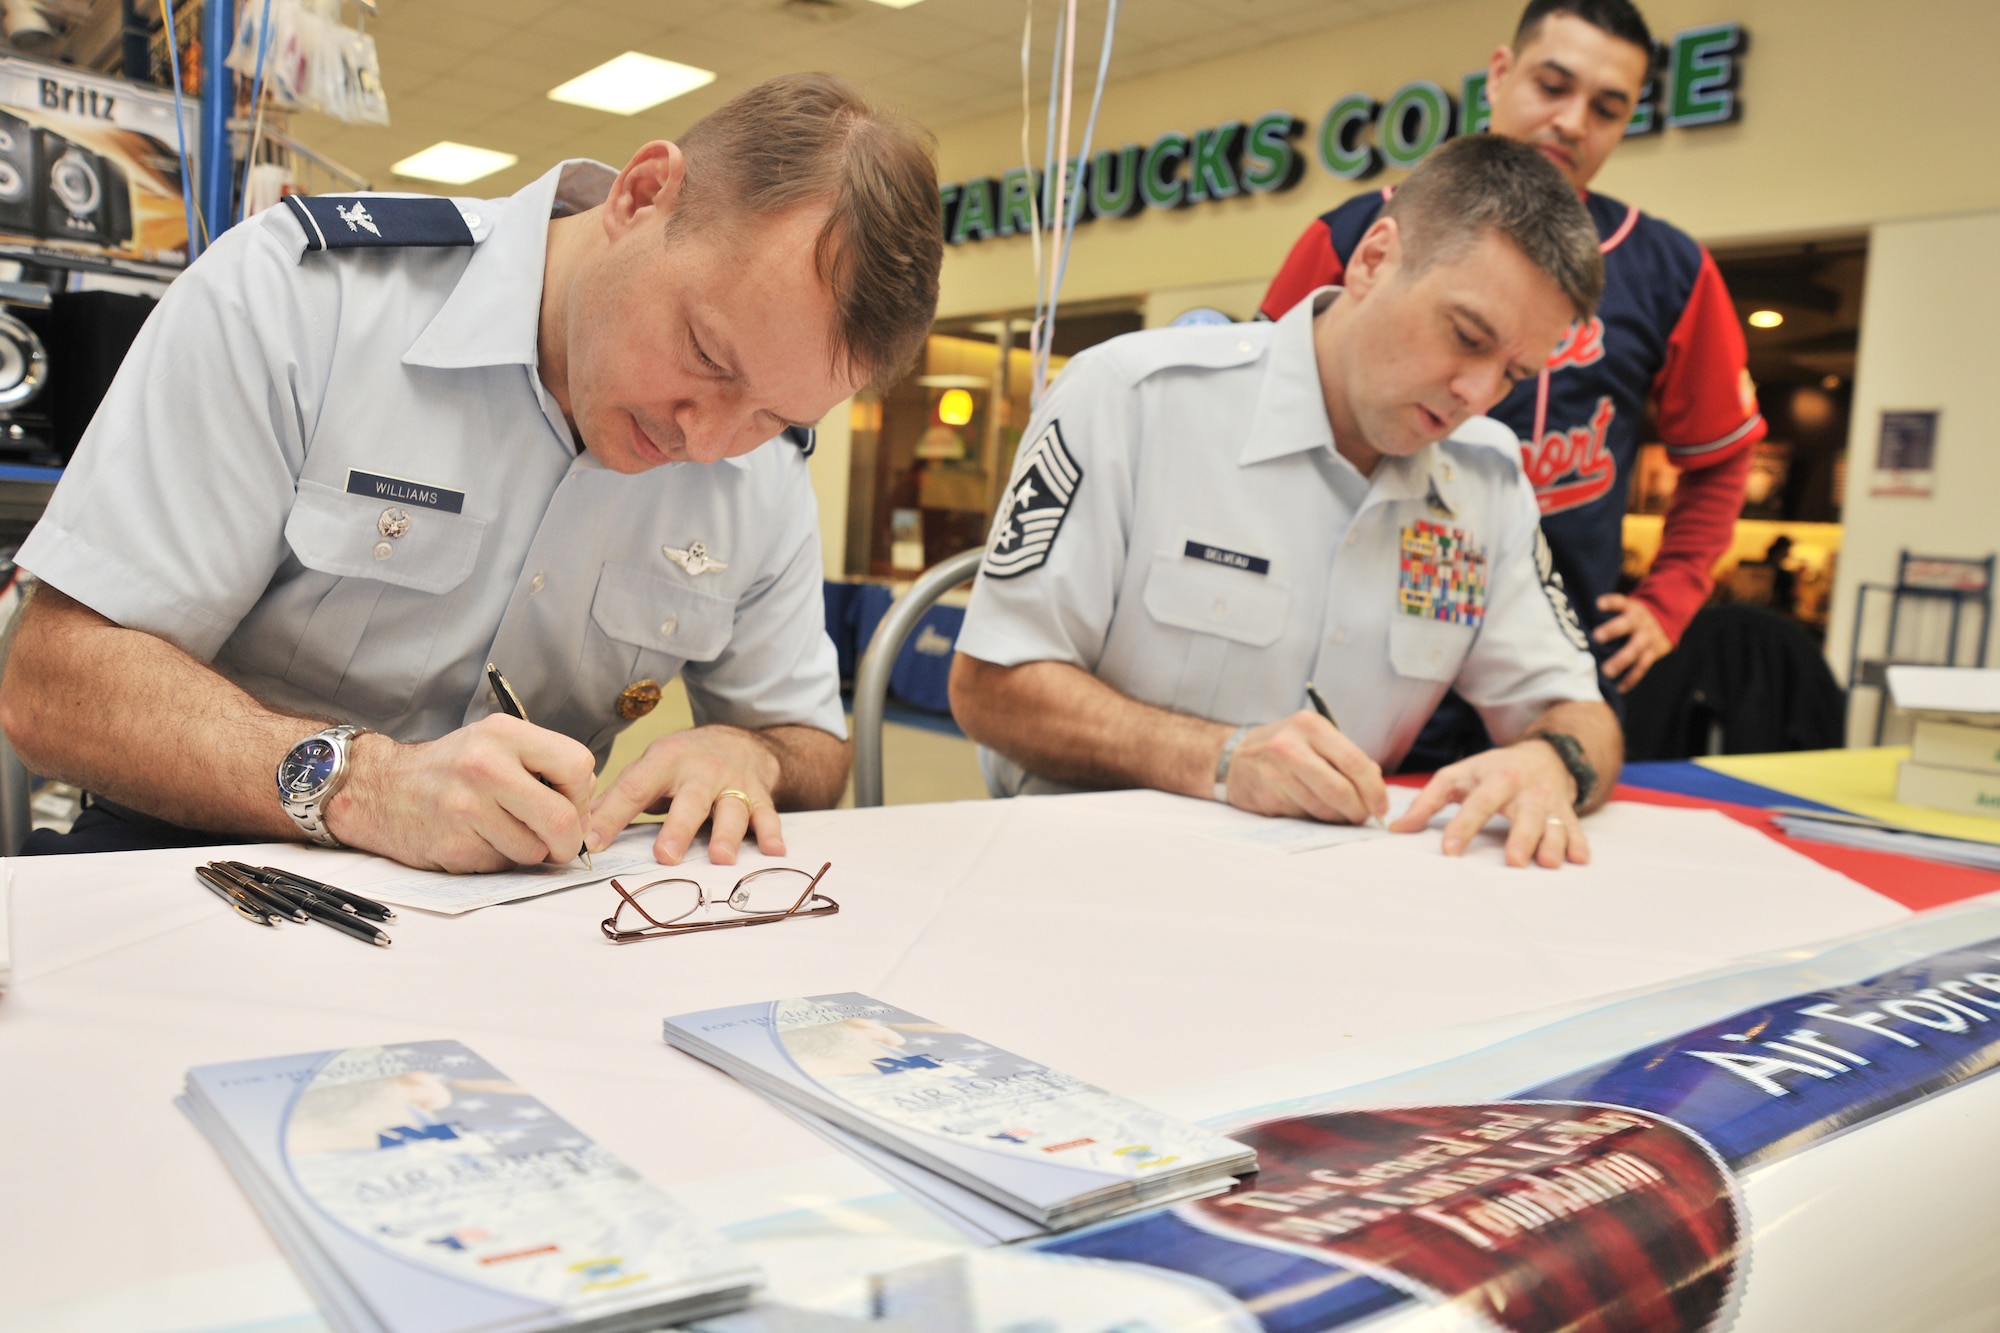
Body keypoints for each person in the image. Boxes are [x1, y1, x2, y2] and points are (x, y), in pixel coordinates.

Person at [0, 73, 943, 871]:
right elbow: (55, 682)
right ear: (642, 195)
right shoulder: (307, 300)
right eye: (706, 354)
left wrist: (749, 753)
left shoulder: (760, 464)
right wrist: (365, 785)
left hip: (515, 913)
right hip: (199, 862)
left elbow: (812, 745)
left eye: (778, 415)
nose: (711, 440)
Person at [950, 136, 1622, 870]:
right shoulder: (1134, 397)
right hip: (1081, 862)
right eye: (1466, 336)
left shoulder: (1485, 478)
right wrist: (1219, 757)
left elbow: (1582, 715)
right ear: (1374, 259)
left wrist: (1551, 762)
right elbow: (991, 687)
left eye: (1514, 374)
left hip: (1335, 883)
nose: (1479, 393)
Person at [1260, 0, 1762, 754]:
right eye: (1551, 85)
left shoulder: (1669, 269)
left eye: (1606, 106)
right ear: (1500, 74)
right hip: (1343, 642)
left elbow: (1720, 455)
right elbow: (1261, 409)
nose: (1571, 120)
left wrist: (1671, 596)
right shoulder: (1358, 231)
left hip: (1544, 662)